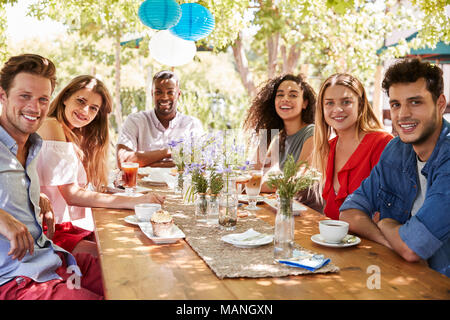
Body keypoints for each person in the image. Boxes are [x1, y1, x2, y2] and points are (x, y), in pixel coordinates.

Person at [0, 53, 103, 299]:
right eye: (24, 96)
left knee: (128, 278)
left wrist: (38, 200)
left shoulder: (34, 146)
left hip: (52, 258)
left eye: (43, 99)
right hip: (15, 279)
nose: (35, 108)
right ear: (2, 96)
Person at [340, 58, 449, 277]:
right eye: (396, 104)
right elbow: (349, 212)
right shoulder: (396, 149)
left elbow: (412, 247)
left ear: (440, 104)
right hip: (401, 276)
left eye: (415, 102)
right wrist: (392, 242)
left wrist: (387, 224)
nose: (402, 114)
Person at [36, 75, 165, 256]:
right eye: (81, 101)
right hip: (46, 231)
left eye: (93, 108)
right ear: (65, 98)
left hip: (63, 227)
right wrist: (134, 202)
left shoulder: (71, 134)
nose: (85, 111)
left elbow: (85, 187)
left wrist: (129, 194)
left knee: (135, 247)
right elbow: (72, 195)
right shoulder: (52, 126)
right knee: (116, 258)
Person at [312, 73, 393, 220]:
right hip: (333, 240)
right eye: (329, 103)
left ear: (360, 105)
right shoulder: (328, 148)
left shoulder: (381, 142)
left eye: (346, 102)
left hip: (371, 241)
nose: (337, 109)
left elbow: (388, 211)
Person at [243, 74, 316, 197]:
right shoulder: (280, 136)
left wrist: (253, 185)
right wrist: (267, 134)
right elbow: (254, 170)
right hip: (284, 206)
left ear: (305, 103)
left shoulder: (312, 132)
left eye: (293, 95)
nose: (285, 99)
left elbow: (295, 180)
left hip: (308, 210)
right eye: (280, 95)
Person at [116, 70, 203, 168]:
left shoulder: (192, 124)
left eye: (170, 92)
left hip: (180, 184)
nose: (164, 97)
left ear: (178, 95)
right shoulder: (135, 121)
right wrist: (170, 152)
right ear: (152, 94)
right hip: (143, 184)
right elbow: (123, 160)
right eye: (158, 92)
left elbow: (200, 163)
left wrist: (147, 164)